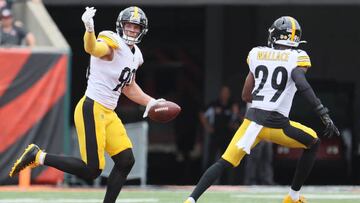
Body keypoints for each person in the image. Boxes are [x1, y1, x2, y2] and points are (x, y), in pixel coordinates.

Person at [9, 6, 165, 203]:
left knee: (126, 161)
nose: (132, 30)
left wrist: (150, 101)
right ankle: (38, 156)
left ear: (142, 30)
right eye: (129, 25)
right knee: (92, 170)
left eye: (136, 27)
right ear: (120, 26)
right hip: (91, 107)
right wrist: (89, 29)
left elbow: (129, 86)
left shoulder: (136, 55)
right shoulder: (111, 42)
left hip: (108, 112)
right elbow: (93, 48)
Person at [184, 16, 340, 203]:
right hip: (278, 125)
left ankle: (191, 200)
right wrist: (322, 111)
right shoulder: (297, 57)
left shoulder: (257, 54)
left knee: (224, 162)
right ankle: (293, 196)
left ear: (275, 35)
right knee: (313, 143)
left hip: (251, 123)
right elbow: (302, 84)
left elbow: (245, 95)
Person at [199, 85, 240, 184]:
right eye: (223, 93)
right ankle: (204, 182)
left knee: (226, 160)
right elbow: (201, 114)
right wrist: (207, 127)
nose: (225, 95)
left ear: (229, 95)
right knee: (210, 159)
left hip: (227, 137)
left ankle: (224, 183)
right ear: (220, 94)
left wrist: (235, 117)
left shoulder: (232, 105)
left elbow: (238, 120)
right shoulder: (214, 105)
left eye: (227, 93)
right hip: (215, 135)